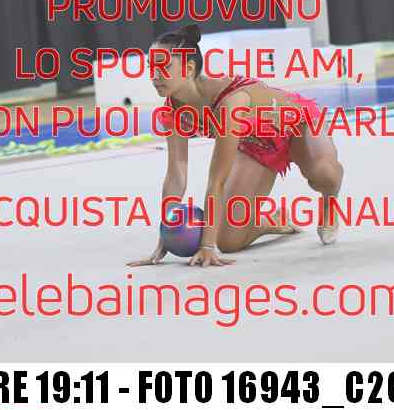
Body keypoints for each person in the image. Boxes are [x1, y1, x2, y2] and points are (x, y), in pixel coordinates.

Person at [127, 24, 344, 268]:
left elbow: (217, 179)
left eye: (164, 67)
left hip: (297, 126)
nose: (155, 75)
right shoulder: (172, 111)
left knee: (322, 175)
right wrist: (166, 237)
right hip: (258, 144)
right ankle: (273, 221)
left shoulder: (231, 102)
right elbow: (176, 174)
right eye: (151, 67)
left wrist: (207, 247)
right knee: (228, 240)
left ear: (188, 68)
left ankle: (330, 199)